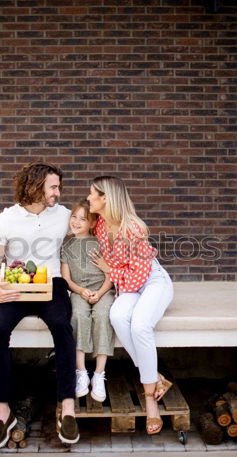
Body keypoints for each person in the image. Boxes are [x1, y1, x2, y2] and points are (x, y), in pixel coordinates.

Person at [0, 161, 80, 450]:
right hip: (14, 285)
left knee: (63, 328)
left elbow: (94, 228)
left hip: (52, 283)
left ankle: (68, 407)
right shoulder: (6, 219)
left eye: (58, 187)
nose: (58, 193)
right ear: (35, 186)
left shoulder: (64, 216)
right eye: (53, 187)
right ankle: (3, 410)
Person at [87, 176, 174, 435]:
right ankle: (156, 377)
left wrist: (107, 268)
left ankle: (150, 402)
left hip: (152, 282)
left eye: (92, 194)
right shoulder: (101, 224)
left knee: (140, 326)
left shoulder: (134, 229)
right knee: (117, 316)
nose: (89, 198)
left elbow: (137, 277)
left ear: (106, 198)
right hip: (125, 284)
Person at [61, 200, 115, 403]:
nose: (76, 221)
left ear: (92, 223)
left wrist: (100, 293)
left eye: (82, 219)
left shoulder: (102, 243)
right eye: (74, 217)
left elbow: (111, 275)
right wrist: (81, 291)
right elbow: (66, 279)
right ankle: (81, 371)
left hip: (103, 290)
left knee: (102, 315)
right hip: (78, 292)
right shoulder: (67, 246)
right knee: (78, 315)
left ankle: (99, 374)